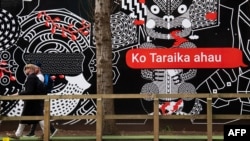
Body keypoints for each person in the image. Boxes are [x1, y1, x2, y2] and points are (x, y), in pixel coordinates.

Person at [6, 64, 46, 139]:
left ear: (30, 69)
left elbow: (29, 91)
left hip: (31, 102)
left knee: (25, 117)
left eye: (26, 69)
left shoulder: (31, 78)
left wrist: (18, 94)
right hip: (35, 102)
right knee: (39, 117)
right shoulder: (34, 77)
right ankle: (46, 134)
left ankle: (18, 135)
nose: (25, 71)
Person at [24, 63, 58, 137]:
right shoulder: (37, 76)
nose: (34, 69)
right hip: (38, 98)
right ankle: (33, 132)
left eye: (35, 68)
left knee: (40, 115)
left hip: (39, 98)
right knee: (37, 114)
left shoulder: (39, 77)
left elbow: (36, 88)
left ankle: (51, 130)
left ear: (38, 69)